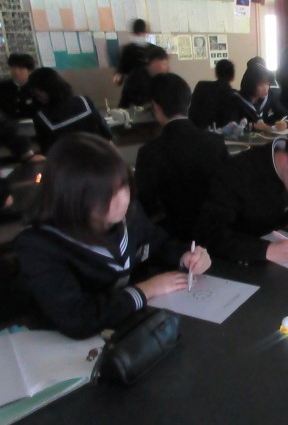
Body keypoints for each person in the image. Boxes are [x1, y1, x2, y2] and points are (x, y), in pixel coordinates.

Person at [13, 133, 211, 339]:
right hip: (59, 345)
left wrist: (186, 256)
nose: (123, 200)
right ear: (72, 198)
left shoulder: (127, 214)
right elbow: (77, 318)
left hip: (122, 327)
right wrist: (146, 290)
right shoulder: (39, 244)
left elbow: (158, 243)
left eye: (124, 186)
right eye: (106, 194)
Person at [195, 123, 288, 265]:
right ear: (286, 161)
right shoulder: (237, 173)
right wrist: (265, 250)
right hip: (236, 262)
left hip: (280, 254)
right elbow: (211, 234)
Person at [136, 73, 228, 241]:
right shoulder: (216, 142)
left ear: (154, 106)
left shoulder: (149, 152)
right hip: (216, 234)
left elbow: (145, 206)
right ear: (189, 103)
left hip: (173, 239)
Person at [28, 68, 112, 154]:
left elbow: (47, 149)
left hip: (69, 159)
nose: (36, 96)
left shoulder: (43, 117)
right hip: (99, 153)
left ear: (46, 88)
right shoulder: (84, 101)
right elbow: (105, 132)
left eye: (37, 92)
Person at [227, 62, 288, 132]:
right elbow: (230, 125)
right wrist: (254, 126)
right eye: (260, 84)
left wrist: (284, 122)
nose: (265, 88)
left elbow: (286, 114)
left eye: (267, 84)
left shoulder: (269, 96)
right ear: (250, 83)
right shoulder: (236, 100)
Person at [188, 59, 236, 130]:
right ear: (233, 77)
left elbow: (191, 114)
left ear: (216, 74)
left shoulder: (201, 87)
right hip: (220, 135)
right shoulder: (234, 96)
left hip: (195, 132)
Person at [113, 19, 155, 86]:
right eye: (138, 34)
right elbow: (120, 72)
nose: (139, 36)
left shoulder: (127, 49)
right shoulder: (154, 49)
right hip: (145, 86)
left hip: (135, 86)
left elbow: (120, 73)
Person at [0, 53, 37, 120]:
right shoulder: (3, 86)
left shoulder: (37, 88)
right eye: (13, 68)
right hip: (6, 123)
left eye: (21, 69)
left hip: (31, 123)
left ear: (29, 71)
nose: (16, 72)